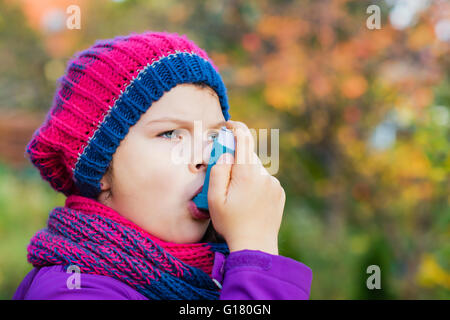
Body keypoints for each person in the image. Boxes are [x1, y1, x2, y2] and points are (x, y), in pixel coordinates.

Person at [13, 31, 312, 300]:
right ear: (100, 168)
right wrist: (255, 251)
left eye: (213, 136)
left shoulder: (214, 277)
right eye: (170, 134)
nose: (204, 158)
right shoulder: (73, 290)